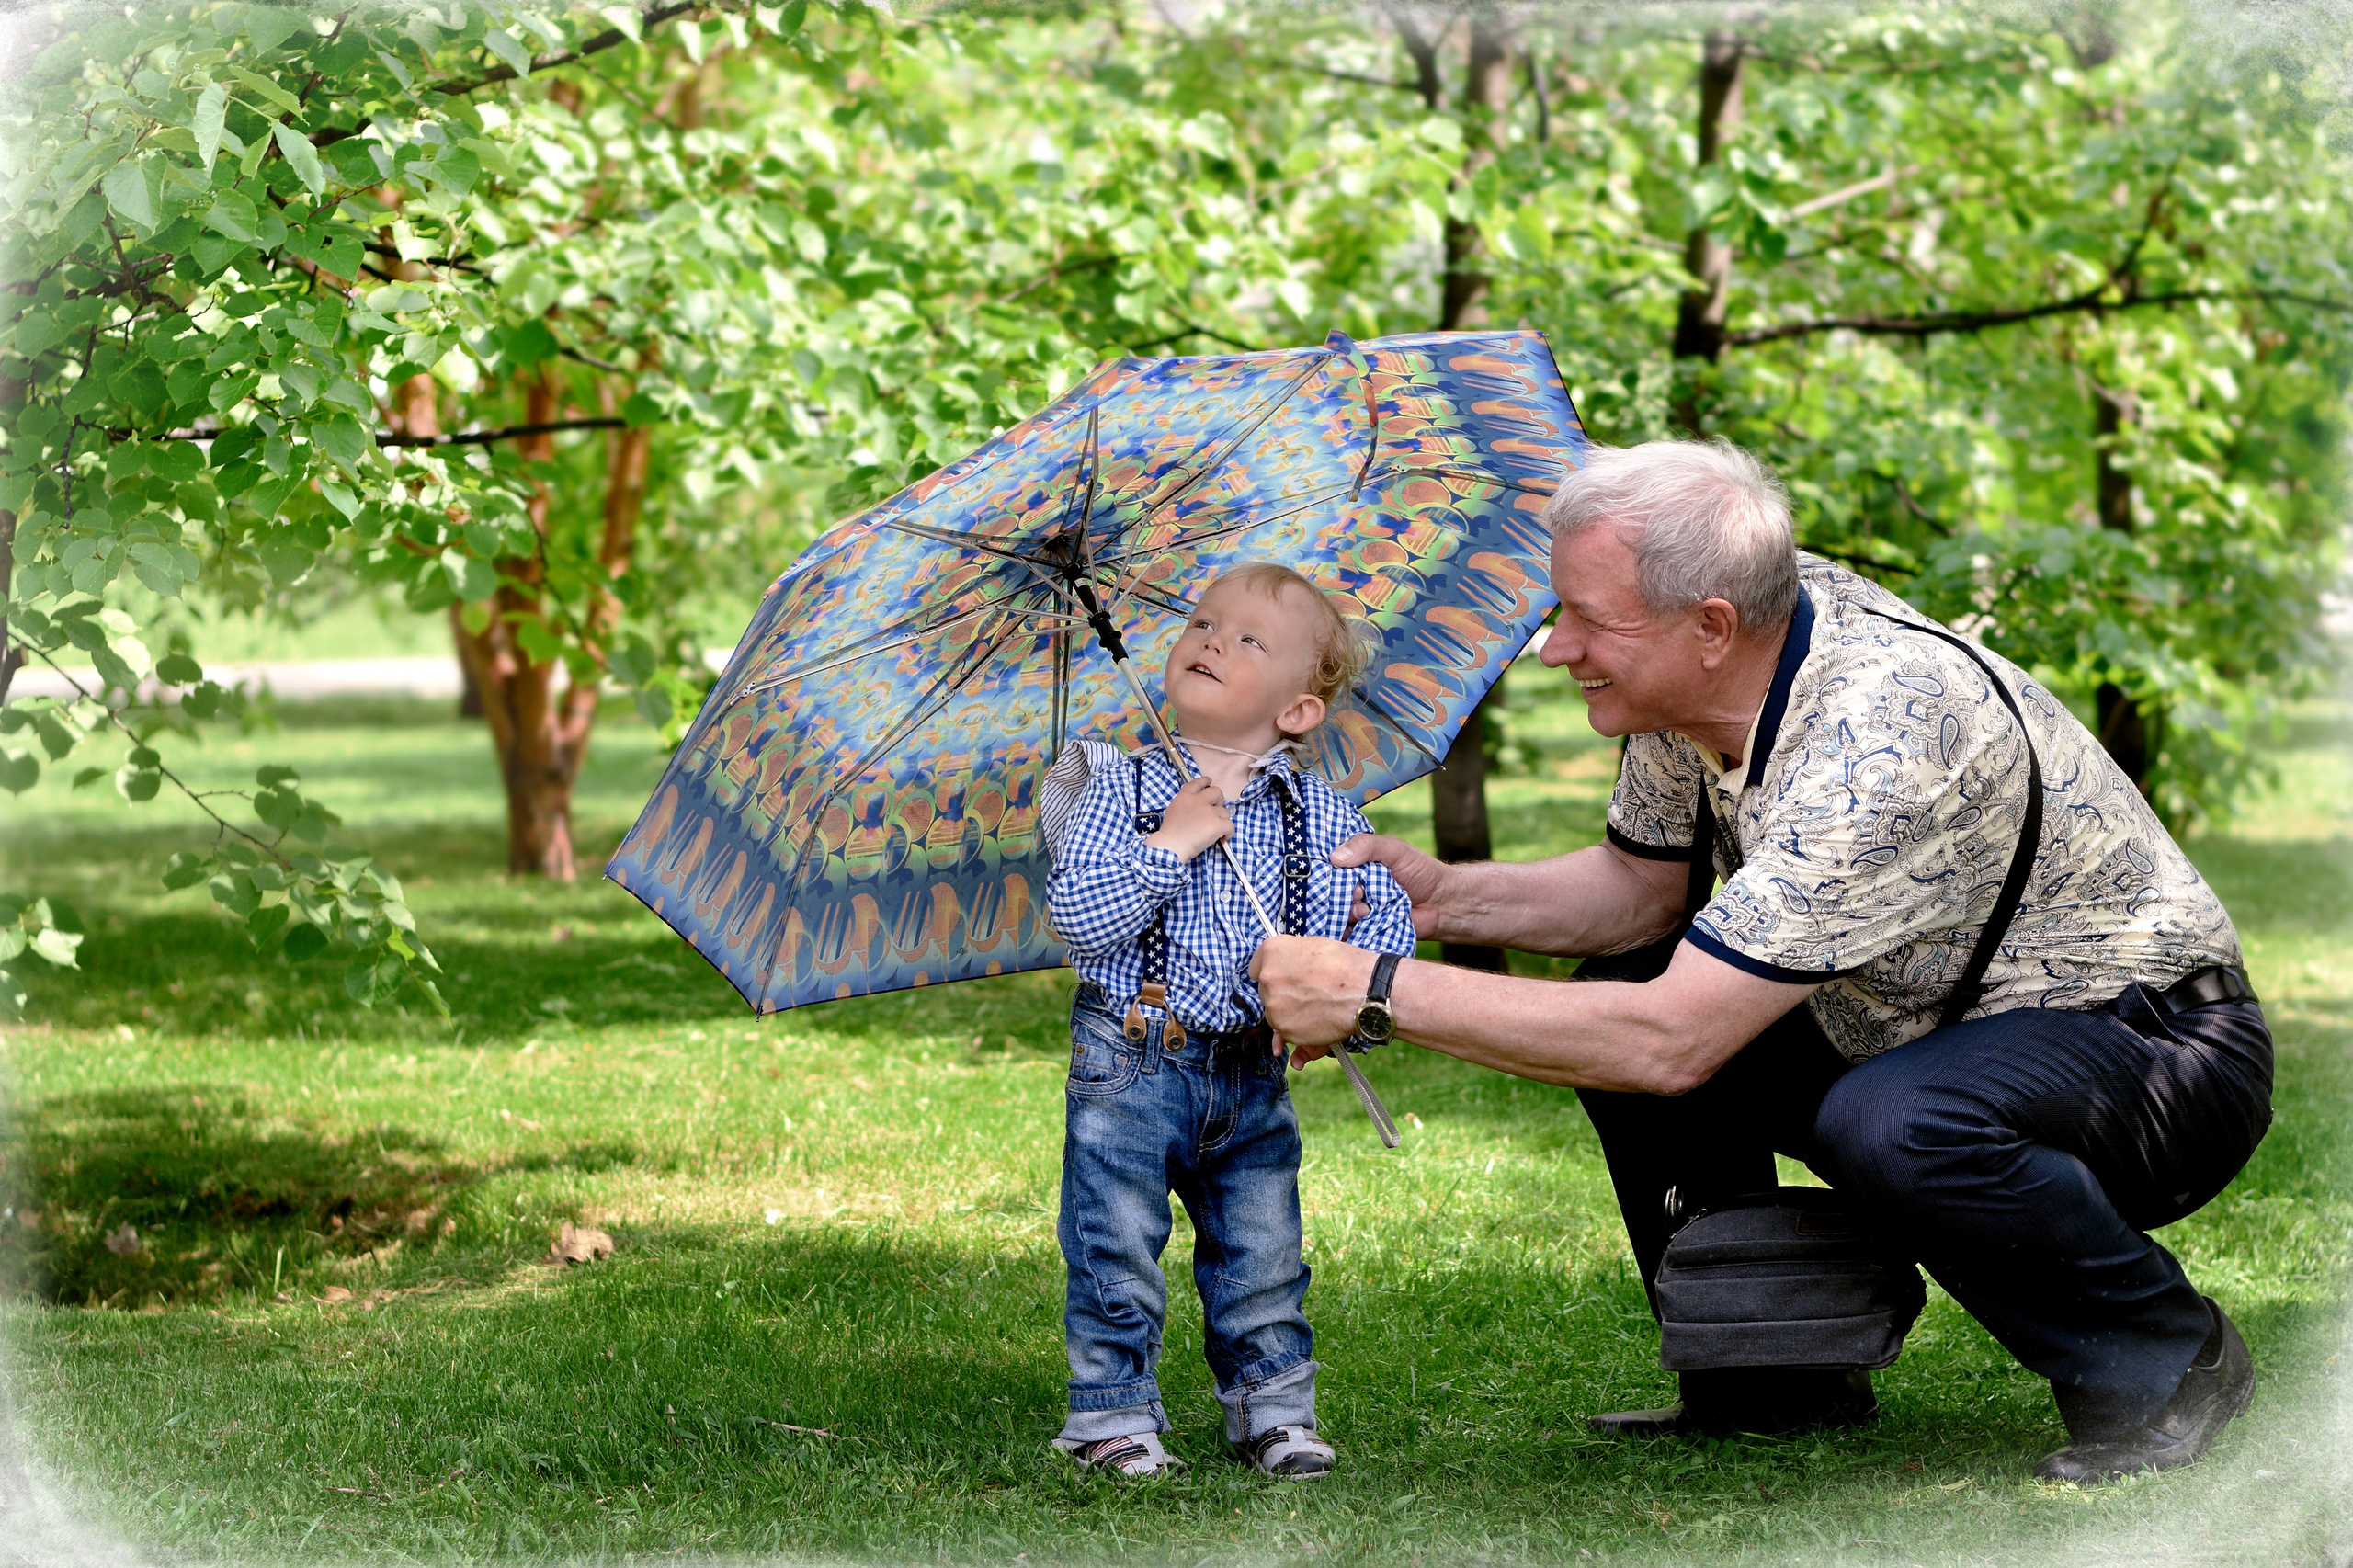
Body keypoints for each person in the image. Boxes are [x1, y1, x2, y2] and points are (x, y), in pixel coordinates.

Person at [1254, 440, 2272, 1483]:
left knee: (1888, 1119)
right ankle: (1770, 1373)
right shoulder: (1705, 672)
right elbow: (1640, 892)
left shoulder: (1883, 734)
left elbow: (1673, 1038)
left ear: (1709, 624)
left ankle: (2168, 1359)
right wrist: (1436, 898)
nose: (1555, 648)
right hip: (1913, 1028)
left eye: (1587, 620)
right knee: (1623, 989)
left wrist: (1370, 994)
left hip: (2153, 1053)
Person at [1040, 562, 1417, 1480]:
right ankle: (1110, 1414)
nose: (1211, 640)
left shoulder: (1324, 815)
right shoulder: (1105, 782)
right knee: (1113, 1245)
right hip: (1131, 1059)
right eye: (1201, 622)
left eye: (1248, 639)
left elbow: (1383, 921)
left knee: (1261, 1253)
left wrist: (1344, 1011)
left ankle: (1273, 1408)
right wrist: (1170, 841)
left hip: (1252, 1072)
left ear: (1296, 712)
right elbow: (1078, 918)